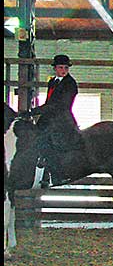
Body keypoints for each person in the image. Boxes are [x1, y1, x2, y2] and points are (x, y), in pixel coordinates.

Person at [26, 54, 82, 187]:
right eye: (61, 67)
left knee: (46, 142)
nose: (63, 70)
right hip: (49, 118)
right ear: (55, 68)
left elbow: (59, 105)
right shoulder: (53, 81)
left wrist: (34, 111)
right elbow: (49, 102)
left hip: (62, 119)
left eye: (66, 68)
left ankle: (57, 176)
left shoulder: (70, 84)